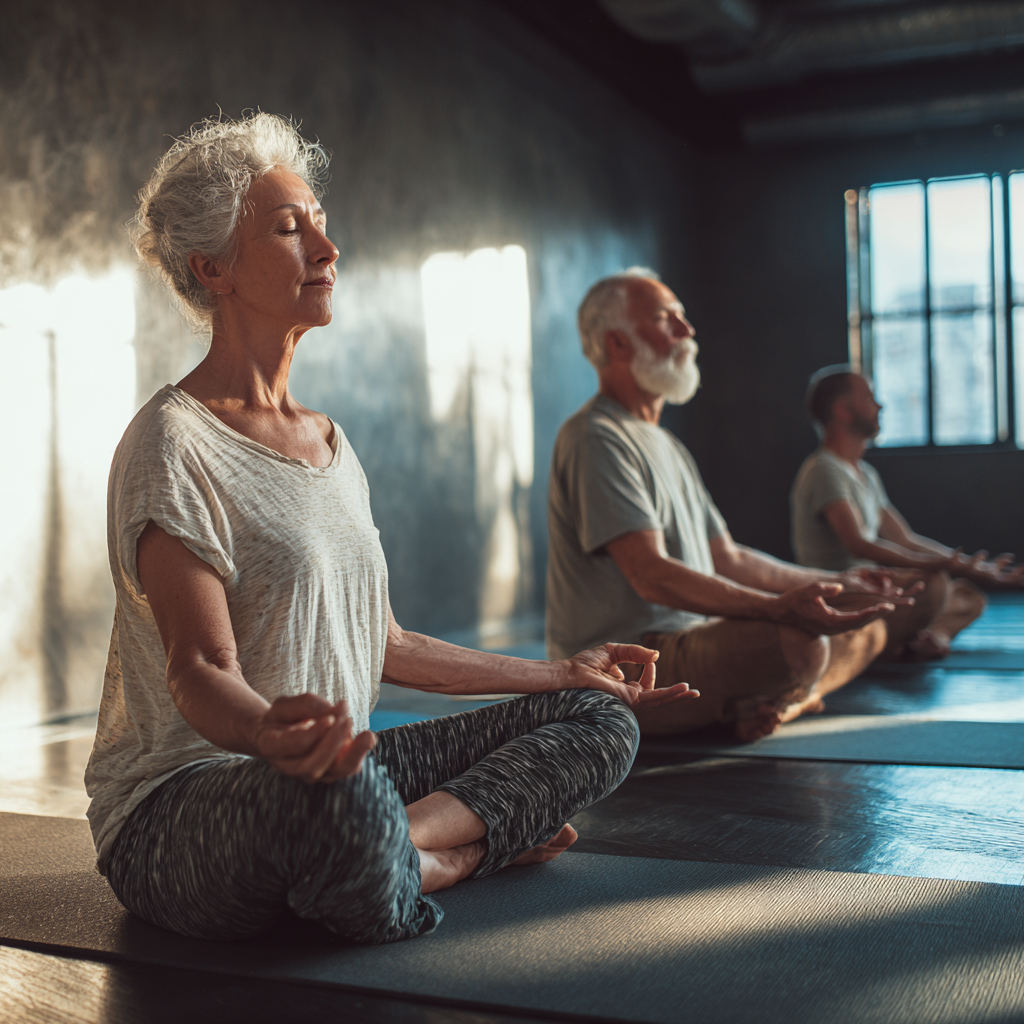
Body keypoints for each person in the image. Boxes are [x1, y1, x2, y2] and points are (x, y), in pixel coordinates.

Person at [84, 115, 696, 947]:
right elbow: (201, 668)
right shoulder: (173, 442)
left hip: (343, 772)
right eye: (290, 229)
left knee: (601, 719)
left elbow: (385, 642)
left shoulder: (331, 443)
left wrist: (561, 673)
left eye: (321, 224)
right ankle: (454, 855)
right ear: (212, 267)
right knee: (342, 808)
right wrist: (268, 733)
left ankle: (391, 848)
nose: (328, 250)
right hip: (191, 803)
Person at [546, 268, 916, 741]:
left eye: (683, 317)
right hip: (626, 662)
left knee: (869, 622)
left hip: (692, 638)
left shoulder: (667, 444)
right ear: (617, 343)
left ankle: (770, 704)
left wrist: (838, 583)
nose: (687, 330)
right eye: (665, 319)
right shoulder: (594, 437)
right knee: (801, 642)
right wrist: (777, 609)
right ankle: (775, 700)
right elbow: (650, 574)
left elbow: (729, 558)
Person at [791, 366, 1023, 658]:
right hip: (844, 595)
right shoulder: (824, 470)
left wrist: (972, 566)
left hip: (874, 589)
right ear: (843, 410)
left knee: (967, 596)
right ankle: (886, 643)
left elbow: (905, 538)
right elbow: (859, 544)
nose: (879, 406)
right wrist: (942, 566)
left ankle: (926, 639)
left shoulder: (865, 474)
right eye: (869, 399)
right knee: (934, 584)